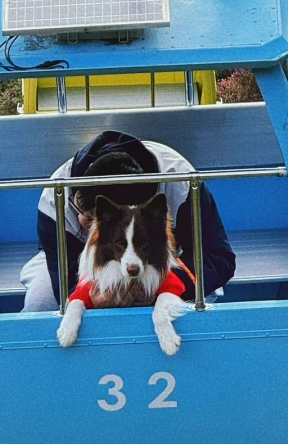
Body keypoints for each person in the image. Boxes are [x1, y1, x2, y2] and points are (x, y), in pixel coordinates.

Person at [20, 130, 236, 312]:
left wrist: (157, 289)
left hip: (164, 259)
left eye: (91, 221)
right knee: (40, 304)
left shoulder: (182, 182)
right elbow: (64, 282)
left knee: (200, 302)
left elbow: (218, 258)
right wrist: (96, 298)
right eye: (85, 214)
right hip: (81, 262)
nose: (82, 222)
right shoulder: (54, 198)